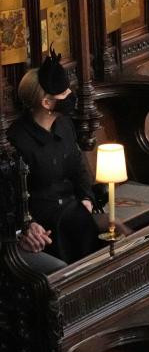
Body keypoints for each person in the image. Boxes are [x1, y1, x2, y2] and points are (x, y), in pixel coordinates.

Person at [6, 51, 103, 264]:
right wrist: (27, 225)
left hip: (74, 214)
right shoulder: (16, 140)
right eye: (64, 92)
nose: (70, 94)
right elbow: (11, 198)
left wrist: (87, 199)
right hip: (44, 228)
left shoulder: (65, 125)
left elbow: (79, 170)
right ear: (47, 103)